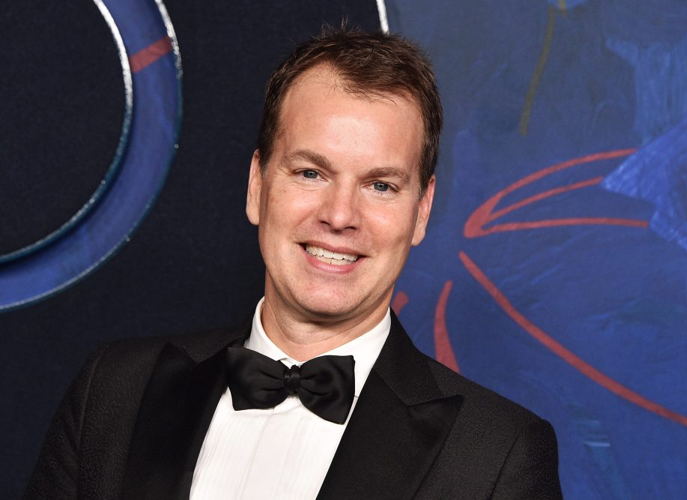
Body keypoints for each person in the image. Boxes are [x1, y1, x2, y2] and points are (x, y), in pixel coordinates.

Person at [25, 26, 562, 499]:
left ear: (421, 211)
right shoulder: (114, 391)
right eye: (311, 173)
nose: (340, 215)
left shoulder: (497, 456)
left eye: (380, 185)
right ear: (257, 186)